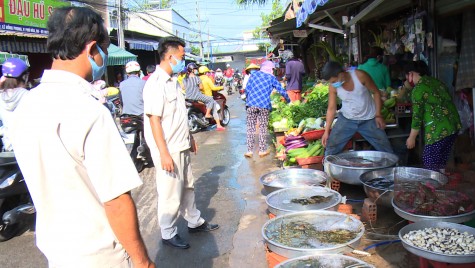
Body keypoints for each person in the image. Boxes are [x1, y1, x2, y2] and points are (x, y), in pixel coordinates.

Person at [9, 6, 154, 268]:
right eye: (104, 51)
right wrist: (143, 261)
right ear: (91, 49)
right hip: (100, 255)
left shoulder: (27, 106)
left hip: (58, 252)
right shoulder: (88, 110)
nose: (103, 59)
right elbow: (117, 201)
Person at [143, 37, 219, 250]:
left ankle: (194, 221)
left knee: (187, 186)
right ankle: (168, 233)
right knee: (170, 193)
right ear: (170, 56)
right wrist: (163, 153)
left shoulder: (174, 81)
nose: (183, 61)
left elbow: (178, 115)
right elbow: (154, 120)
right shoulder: (155, 84)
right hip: (168, 149)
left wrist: (190, 137)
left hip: (181, 144)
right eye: (182, 57)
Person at [321, 61, 393, 156]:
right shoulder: (333, 87)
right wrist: (326, 131)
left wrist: (378, 115)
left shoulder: (360, 76)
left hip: (369, 119)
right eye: (331, 83)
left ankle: (393, 168)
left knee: (386, 149)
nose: (333, 84)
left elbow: (376, 92)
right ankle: (328, 169)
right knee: (331, 148)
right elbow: (331, 108)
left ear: (341, 74)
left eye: (334, 81)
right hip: (347, 119)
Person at [404, 61, 461, 172]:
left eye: (406, 75)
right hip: (453, 126)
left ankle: (433, 186)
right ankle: (441, 182)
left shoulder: (418, 89)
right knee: (440, 162)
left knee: (429, 162)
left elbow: (417, 116)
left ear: (411, 74)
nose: (406, 79)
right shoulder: (436, 82)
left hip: (439, 129)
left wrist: (412, 137)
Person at [244, 61, 290, 158]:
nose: (273, 71)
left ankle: (249, 151)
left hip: (251, 104)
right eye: (272, 69)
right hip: (264, 105)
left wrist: (249, 100)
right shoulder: (271, 78)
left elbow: (247, 89)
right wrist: (288, 100)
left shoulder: (254, 75)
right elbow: (281, 90)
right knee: (262, 128)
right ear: (270, 69)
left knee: (251, 127)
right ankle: (262, 150)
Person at [183, 63, 225, 130]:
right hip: (198, 96)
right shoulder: (198, 78)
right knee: (211, 100)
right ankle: (212, 118)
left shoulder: (185, 79)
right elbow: (201, 87)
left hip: (187, 97)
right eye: (195, 69)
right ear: (193, 70)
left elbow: (183, 87)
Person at [0, 58, 30, 152]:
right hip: (27, 149)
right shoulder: (30, 96)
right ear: (25, 77)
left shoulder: (1, 97)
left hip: (8, 148)